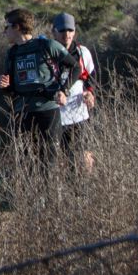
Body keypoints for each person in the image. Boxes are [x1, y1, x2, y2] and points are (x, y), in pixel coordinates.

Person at [0, 8, 76, 152]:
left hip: (47, 110)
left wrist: (64, 90)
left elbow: (75, 67)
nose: (4, 31)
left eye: (6, 26)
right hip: (22, 113)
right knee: (27, 161)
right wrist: (3, 85)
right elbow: (10, 88)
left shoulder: (47, 45)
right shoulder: (12, 53)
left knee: (49, 159)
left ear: (17, 27)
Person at [51, 13, 97, 169]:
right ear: (54, 32)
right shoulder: (46, 53)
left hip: (79, 115)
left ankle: (86, 190)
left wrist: (90, 93)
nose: (67, 35)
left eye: (70, 30)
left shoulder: (82, 52)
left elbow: (91, 77)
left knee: (84, 158)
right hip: (56, 116)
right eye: (62, 30)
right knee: (60, 161)